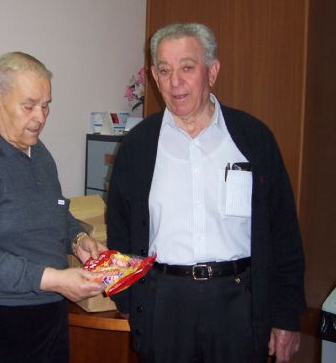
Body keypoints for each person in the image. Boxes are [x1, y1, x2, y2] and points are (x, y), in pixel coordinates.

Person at [106, 23, 306, 363]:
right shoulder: (138, 146)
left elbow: (283, 231)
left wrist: (286, 316)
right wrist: (128, 302)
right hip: (164, 304)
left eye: (187, 67)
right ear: (154, 76)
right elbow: (120, 230)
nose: (175, 82)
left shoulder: (253, 139)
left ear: (211, 71)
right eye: (165, 70)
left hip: (238, 302)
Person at [0, 51, 106, 363]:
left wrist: (78, 238)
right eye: (28, 106)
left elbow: (55, 210)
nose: (40, 117)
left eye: (46, 105)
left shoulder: (37, 152)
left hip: (47, 311)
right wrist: (55, 279)